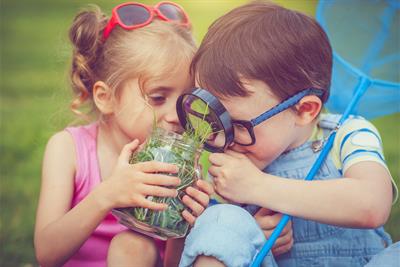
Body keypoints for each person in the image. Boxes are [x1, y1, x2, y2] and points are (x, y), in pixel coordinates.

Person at [178, 1, 398, 267]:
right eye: (213, 119)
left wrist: (258, 186)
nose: (222, 140)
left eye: (237, 125)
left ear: (304, 110)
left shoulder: (346, 134)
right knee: (222, 220)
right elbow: (216, 241)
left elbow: (371, 205)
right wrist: (251, 230)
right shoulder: (236, 161)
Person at [34, 2, 213, 267]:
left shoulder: (182, 164)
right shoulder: (68, 149)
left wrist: (182, 226)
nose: (177, 115)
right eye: (158, 97)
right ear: (106, 98)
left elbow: (172, 265)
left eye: (184, 100)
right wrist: (107, 195)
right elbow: (46, 254)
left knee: (133, 246)